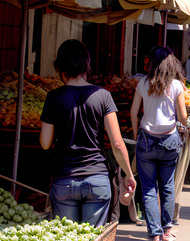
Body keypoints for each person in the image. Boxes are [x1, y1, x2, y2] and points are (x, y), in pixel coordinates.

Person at [40, 40, 135, 226]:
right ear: (86, 65)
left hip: (64, 179)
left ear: (59, 67)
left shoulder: (54, 97)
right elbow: (117, 143)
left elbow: (45, 142)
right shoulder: (103, 95)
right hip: (97, 179)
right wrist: (129, 174)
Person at [130, 46, 187, 241]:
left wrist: (137, 132)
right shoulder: (177, 86)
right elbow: (182, 117)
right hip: (169, 140)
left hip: (146, 140)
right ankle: (166, 231)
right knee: (167, 185)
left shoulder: (143, 83)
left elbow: (134, 111)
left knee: (149, 190)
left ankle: (154, 237)